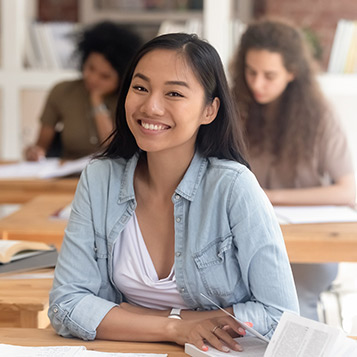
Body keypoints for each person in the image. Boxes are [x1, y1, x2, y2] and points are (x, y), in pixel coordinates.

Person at [48, 33, 298, 352]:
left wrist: (140, 316)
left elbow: (281, 316)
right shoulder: (100, 178)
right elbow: (66, 304)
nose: (151, 106)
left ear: (209, 110)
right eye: (140, 88)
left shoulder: (234, 187)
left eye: (174, 93)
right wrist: (175, 327)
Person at [230, 18, 356, 321]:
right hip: (245, 237)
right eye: (251, 72)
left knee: (296, 305)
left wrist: (269, 196)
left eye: (269, 75)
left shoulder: (319, 114)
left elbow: (347, 189)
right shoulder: (233, 109)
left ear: (292, 72)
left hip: (309, 245)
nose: (257, 83)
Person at [25, 21, 143, 161]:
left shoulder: (130, 99)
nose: (93, 78)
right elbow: (41, 146)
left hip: (113, 174)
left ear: (123, 77)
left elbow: (113, 147)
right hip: (68, 176)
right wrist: (34, 152)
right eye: (90, 68)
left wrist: (96, 101)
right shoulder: (62, 91)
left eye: (105, 76)